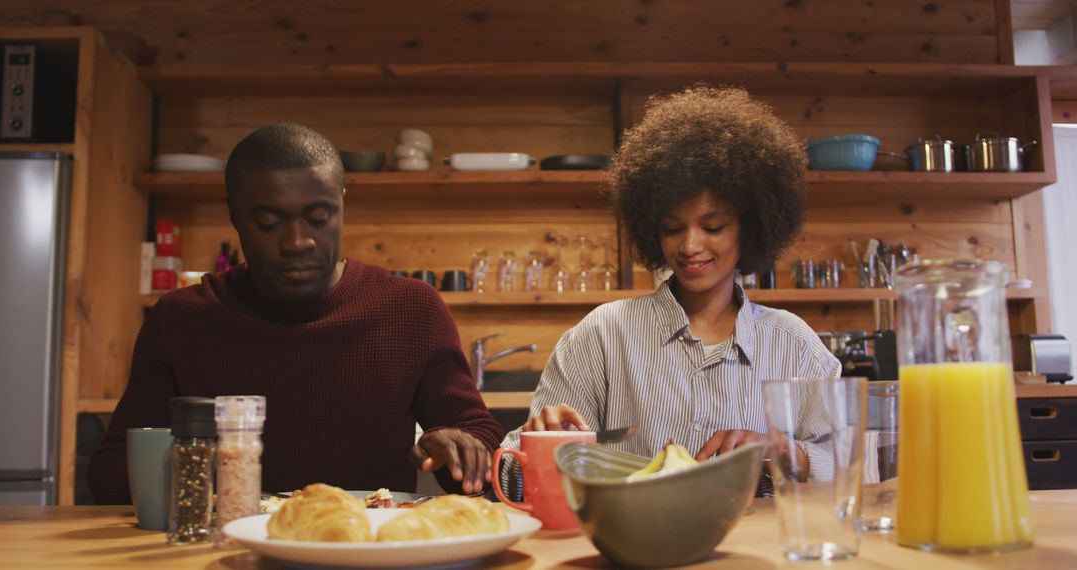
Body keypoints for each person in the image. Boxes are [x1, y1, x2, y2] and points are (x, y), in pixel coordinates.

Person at [89, 123, 504, 504]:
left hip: (367, 551)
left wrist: (457, 448)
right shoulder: (182, 320)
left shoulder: (410, 310)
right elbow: (111, 474)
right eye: (269, 222)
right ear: (234, 215)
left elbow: (484, 450)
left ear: (342, 204)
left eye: (318, 218)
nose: (297, 242)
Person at [501, 86, 839, 481]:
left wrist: (786, 452)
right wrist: (540, 443)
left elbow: (850, 465)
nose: (690, 246)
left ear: (751, 228)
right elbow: (514, 471)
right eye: (672, 228)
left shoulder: (793, 345)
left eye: (712, 227)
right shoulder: (603, 335)